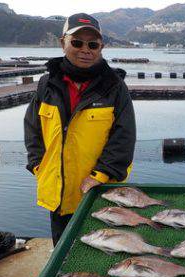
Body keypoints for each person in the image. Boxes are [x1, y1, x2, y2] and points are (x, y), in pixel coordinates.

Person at [24, 13, 136, 245]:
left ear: (101, 47)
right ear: (62, 42)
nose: (85, 49)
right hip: (58, 194)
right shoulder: (47, 84)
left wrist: (100, 175)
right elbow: (33, 128)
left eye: (93, 44)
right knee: (62, 258)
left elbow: (124, 137)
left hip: (98, 194)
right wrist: (38, 165)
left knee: (100, 256)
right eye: (77, 42)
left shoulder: (114, 87)